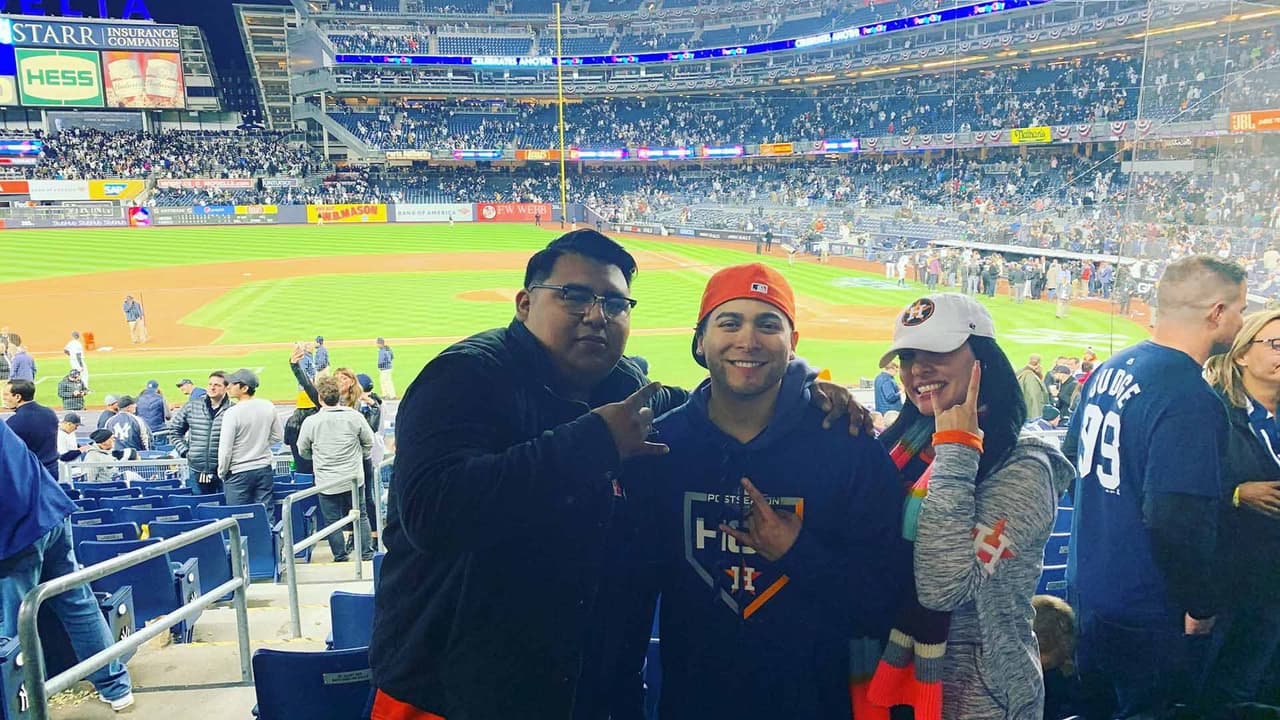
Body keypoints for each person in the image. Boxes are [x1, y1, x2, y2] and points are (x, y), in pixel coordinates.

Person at [370, 230, 866, 718]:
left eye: (615, 303)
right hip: (450, 695)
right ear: (524, 304)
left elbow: (708, 404)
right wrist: (594, 443)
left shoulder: (622, 384)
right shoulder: (465, 376)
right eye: (574, 297)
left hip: (586, 693)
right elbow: (433, 511)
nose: (596, 316)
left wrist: (802, 391)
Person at [628, 264, 910, 718]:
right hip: (692, 703)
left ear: (793, 343)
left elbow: (885, 599)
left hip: (816, 705)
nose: (748, 340)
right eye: (729, 322)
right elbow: (630, 598)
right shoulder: (659, 449)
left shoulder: (850, 448)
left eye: (767, 324)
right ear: (700, 340)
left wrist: (798, 553)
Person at [868, 293, 1072, 720]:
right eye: (907, 356)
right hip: (886, 678)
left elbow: (943, 588)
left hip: (977, 698)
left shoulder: (1025, 467)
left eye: (937, 351)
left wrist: (958, 451)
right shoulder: (906, 444)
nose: (916, 369)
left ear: (982, 359)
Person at [1063, 256, 1247, 720]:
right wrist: (1201, 601)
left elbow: (1070, 462)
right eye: (1240, 310)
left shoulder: (1112, 366)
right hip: (1146, 607)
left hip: (1088, 587)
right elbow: (1175, 520)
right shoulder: (1188, 396)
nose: (1242, 322)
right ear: (1217, 313)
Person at [0, 421, 134, 712]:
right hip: (49, 510)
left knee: (15, 626)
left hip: (15, 535)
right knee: (78, 603)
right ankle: (116, 686)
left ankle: (22, 706)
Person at [1201, 309, 1280, 709]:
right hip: (1230, 582)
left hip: (1272, 584)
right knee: (1223, 690)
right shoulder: (1212, 412)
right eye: (1276, 344)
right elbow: (1178, 493)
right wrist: (1236, 494)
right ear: (1243, 354)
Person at [296, 375, 375, 562]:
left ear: (320, 399)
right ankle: (366, 553)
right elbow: (368, 442)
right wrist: (359, 457)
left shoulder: (311, 422)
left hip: (327, 480)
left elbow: (302, 450)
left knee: (333, 521)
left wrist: (318, 459)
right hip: (353, 478)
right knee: (360, 514)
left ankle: (340, 556)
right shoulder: (354, 416)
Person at [217, 369, 283, 507]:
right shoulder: (267, 405)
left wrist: (222, 472)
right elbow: (278, 435)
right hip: (263, 468)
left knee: (240, 517)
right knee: (264, 514)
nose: (228, 386)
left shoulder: (232, 412)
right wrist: (260, 445)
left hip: (238, 472)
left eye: (233, 383)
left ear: (244, 388)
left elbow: (225, 448)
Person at [167, 372, 232, 496]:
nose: (212, 388)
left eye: (217, 385)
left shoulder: (233, 410)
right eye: (210, 384)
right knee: (201, 507)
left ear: (226, 388)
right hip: (196, 470)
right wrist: (186, 452)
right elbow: (174, 430)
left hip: (225, 471)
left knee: (226, 508)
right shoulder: (192, 406)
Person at [4, 378, 62, 478]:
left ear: (18, 397)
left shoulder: (15, 422)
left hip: (30, 474)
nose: (4, 398)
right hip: (52, 471)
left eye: (6, 395)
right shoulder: (49, 413)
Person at [1016, 354, 1050, 421]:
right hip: (1032, 415)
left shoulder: (1021, 373)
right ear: (1038, 364)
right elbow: (1034, 397)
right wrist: (1037, 418)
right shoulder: (1030, 376)